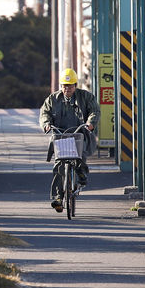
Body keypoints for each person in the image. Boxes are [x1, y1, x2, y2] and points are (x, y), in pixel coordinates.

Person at [39, 68, 100, 212]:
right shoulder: (52, 99)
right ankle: (58, 198)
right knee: (59, 165)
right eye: (65, 86)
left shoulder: (86, 97)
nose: (67, 89)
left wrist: (90, 123)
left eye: (70, 86)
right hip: (60, 135)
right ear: (61, 86)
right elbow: (44, 113)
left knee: (80, 157)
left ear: (75, 85)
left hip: (79, 134)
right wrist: (46, 124)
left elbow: (94, 110)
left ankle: (81, 175)